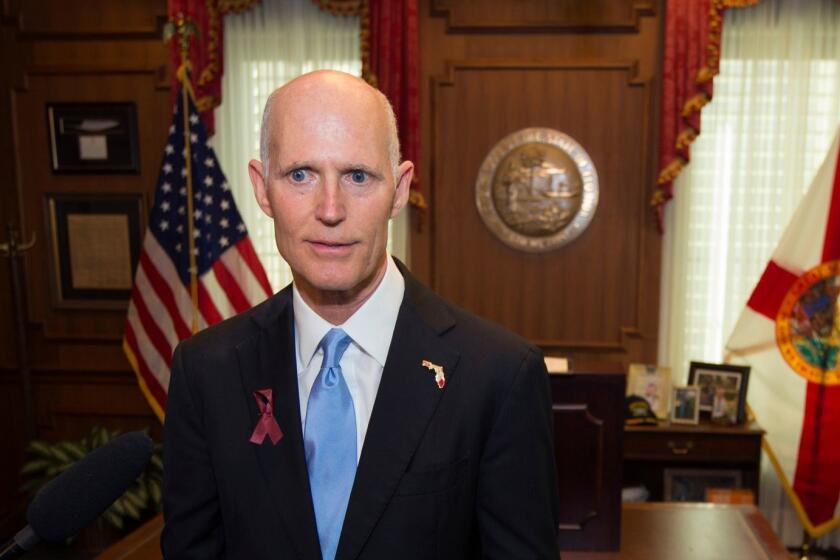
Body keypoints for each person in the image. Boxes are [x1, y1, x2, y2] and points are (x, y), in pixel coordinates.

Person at [162, 70, 560, 559]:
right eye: (300, 175)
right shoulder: (206, 371)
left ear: (398, 190)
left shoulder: (498, 375)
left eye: (358, 176)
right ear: (263, 189)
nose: (331, 209)